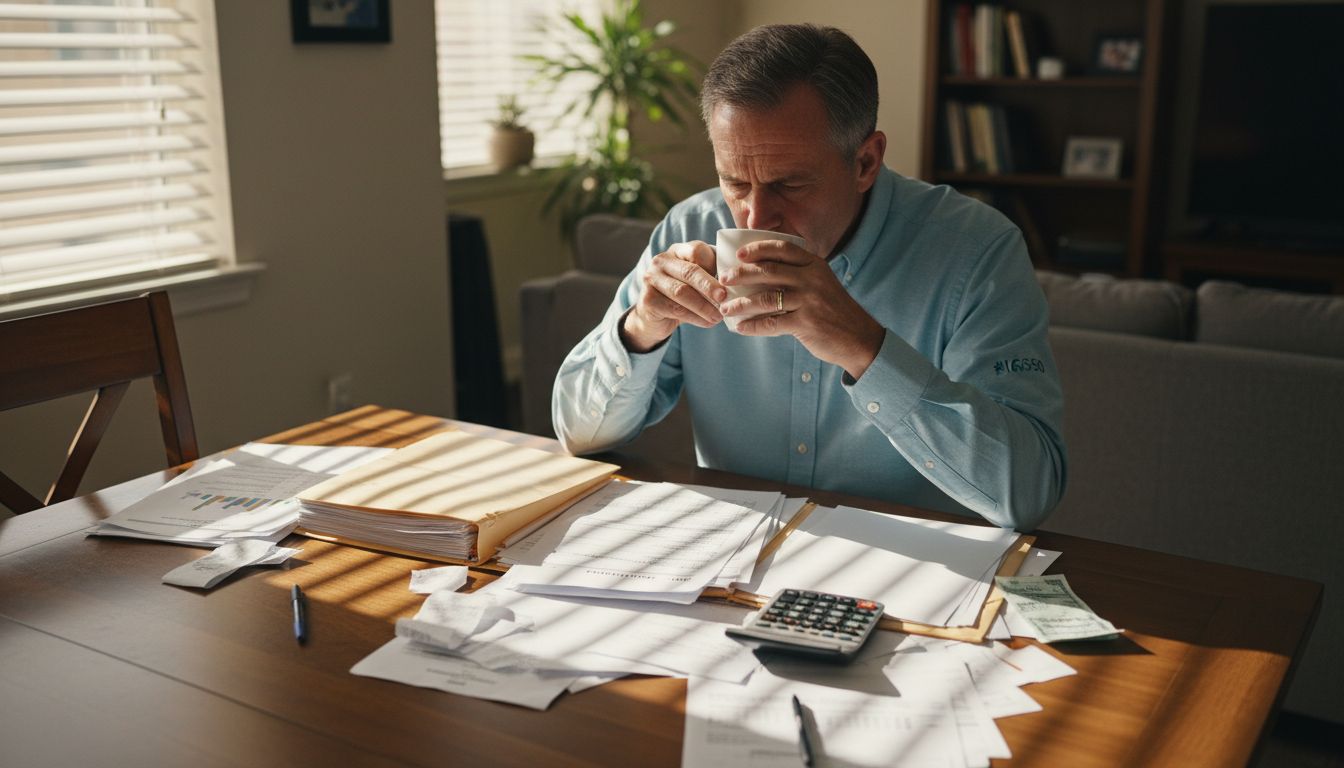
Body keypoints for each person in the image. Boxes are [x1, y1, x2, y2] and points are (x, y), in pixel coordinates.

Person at [552, 24, 1066, 530]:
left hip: (916, 568)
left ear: (865, 161)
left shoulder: (978, 252)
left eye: (790, 184)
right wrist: (640, 330)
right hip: (727, 559)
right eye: (734, 182)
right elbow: (576, 434)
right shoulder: (689, 231)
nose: (754, 219)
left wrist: (865, 349)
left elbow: (1026, 495)